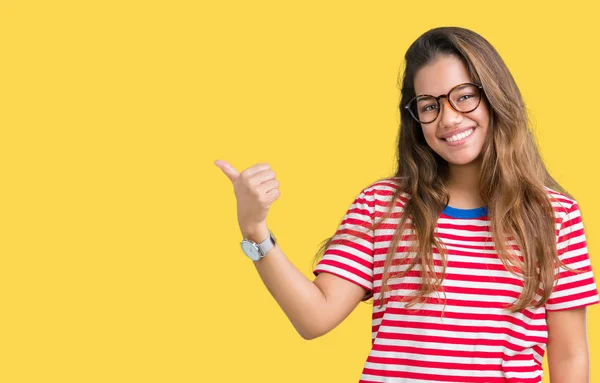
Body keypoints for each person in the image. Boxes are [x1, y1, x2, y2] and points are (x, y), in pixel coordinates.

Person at [214, 26, 600, 383]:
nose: (448, 118)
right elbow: (314, 318)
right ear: (415, 119)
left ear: (495, 95)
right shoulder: (382, 205)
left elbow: (568, 354)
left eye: (464, 96)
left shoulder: (553, 215)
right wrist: (254, 230)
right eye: (429, 106)